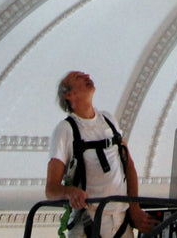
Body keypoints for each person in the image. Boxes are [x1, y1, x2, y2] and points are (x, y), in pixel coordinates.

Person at [45, 70, 156, 238]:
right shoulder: (65, 130)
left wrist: (134, 208)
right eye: (79, 78)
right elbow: (51, 189)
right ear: (69, 94)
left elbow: (128, 165)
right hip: (88, 223)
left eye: (86, 76)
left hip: (121, 222)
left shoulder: (109, 120)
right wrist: (70, 192)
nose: (87, 77)